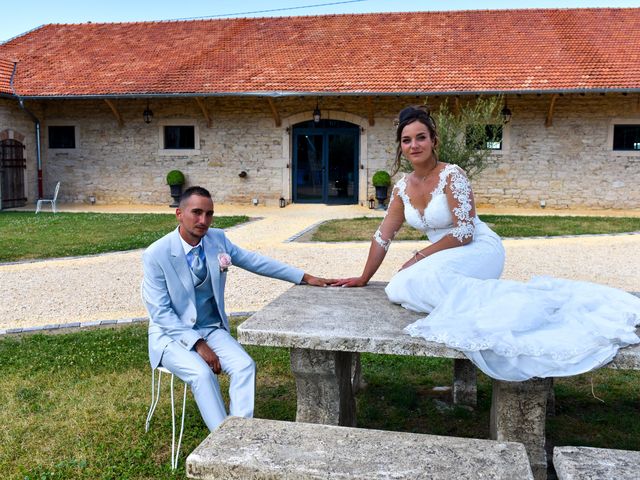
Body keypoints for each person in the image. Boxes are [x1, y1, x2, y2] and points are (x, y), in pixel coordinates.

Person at [333, 105, 640, 381]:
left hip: (476, 248)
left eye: (421, 137)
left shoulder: (452, 175)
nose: (414, 145)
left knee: (418, 279)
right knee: (399, 286)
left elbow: (465, 231)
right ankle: (495, 305)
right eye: (407, 140)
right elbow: (383, 234)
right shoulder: (401, 188)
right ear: (401, 146)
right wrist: (363, 277)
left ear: (433, 140)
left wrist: (420, 255)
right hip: (442, 255)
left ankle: (529, 308)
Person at [142, 186, 333, 431]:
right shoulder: (156, 254)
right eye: (196, 213)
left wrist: (303, 276)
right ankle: (223, 439)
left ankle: (239, 432)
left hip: (211, 328)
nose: (203, 221)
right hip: (170, 336)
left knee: (245, 365)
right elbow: (161, 313)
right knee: (202, 374)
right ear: (179, 213)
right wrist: (198, 344)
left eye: (209, 214)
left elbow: (255, 261)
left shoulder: (217, 240)